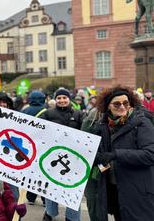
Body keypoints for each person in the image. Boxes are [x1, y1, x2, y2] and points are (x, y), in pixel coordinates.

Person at [94, 86, 154, 221]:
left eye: (126, 103)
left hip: (139, 191)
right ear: (108, 106)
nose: (122, 107)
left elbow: (151, 154)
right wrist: (98, 157)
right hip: (115, 190)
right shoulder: (104, 125)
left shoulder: (142, 122)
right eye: (117, 104)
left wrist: (116, 154)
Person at [39, 88, 85, 221]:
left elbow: (86, 133)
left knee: (74, 189)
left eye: (64, 97)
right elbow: (39, 131)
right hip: (52, 156)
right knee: (51, 187)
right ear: (55, 100)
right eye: (59, 98)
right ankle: (49, 213)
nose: (62, 100)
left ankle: (72, 217)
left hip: (74, 158)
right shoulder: (47, 113)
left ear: (69, 99)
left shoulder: (79, 114)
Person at [21, 90, 47, 205]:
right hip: (43, 146)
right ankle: (44, 199)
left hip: (28, 146)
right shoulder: (47, 112)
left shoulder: (24, 111)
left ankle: (30, 197)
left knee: (31, 172)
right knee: (43, 172)